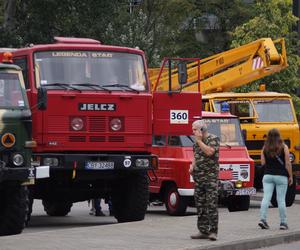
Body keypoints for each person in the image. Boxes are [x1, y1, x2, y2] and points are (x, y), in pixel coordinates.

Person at [189, 120, 220, 241]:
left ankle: (213, 231)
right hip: (199, 178)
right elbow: (196, 156)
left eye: (194, 129)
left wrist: (199, 141)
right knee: (200, 205)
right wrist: (192, 166)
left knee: (211, 204)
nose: (193, 132)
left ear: (201, 130)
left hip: (210, 178)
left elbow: (209, 152)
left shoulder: (213, 139)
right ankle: (203, 230)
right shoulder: (196, 143)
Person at [258, 128, 293, 230]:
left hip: (268, 176)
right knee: (281, 200)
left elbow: (263, 163)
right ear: (279, 136)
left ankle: (262, 220)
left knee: (266, 198)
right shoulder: (284, 147)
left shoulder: (265, 148)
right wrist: (290, 176)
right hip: (281, 176)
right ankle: (283, 223)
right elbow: (287, 163)